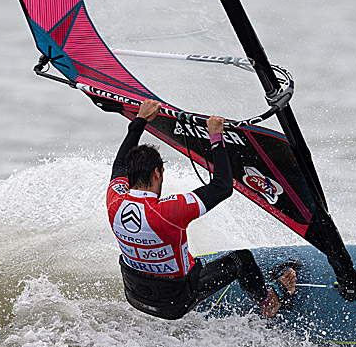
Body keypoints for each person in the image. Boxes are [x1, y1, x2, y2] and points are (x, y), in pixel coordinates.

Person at [107, 99, 296, 320]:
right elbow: (222, 187)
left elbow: (119, 164)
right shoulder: (168, 211)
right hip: (175, 302)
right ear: (157, 173)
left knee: (180, 254)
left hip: (136, 296)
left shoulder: (114, 201)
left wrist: (139, 121)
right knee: (242, 259)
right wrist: (216, 136)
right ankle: (268, 302)